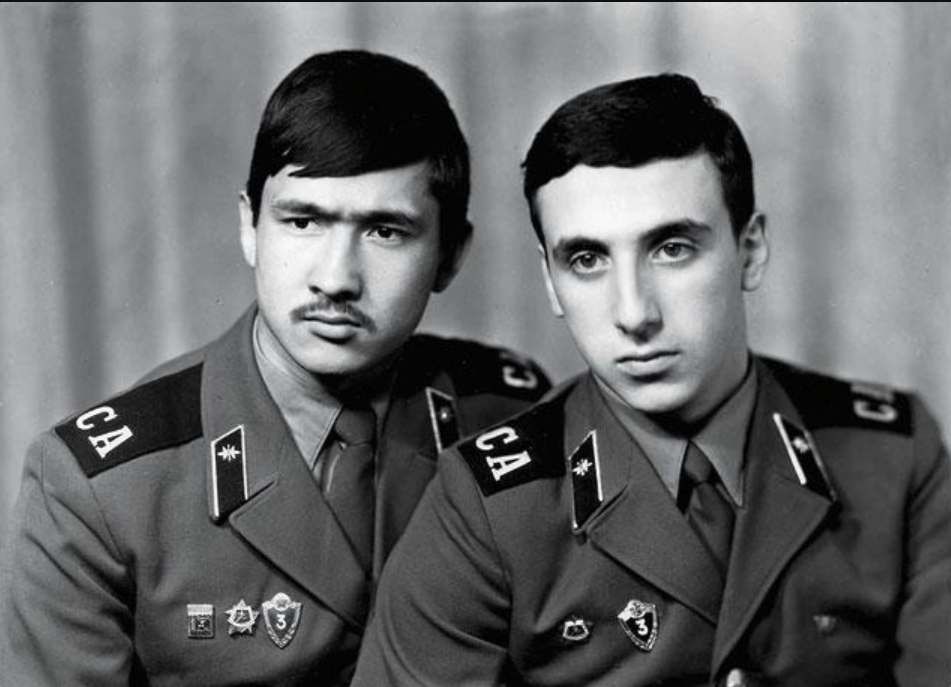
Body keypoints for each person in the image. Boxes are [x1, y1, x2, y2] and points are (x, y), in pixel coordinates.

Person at [352, 73, 951, 686]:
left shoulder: (892, 462)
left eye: (672, 248)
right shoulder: (486, 508)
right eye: (587, 260)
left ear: (749, 250)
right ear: (551, 282)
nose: (634, 313)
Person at [0, 50, 550, 686]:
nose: (335, 279)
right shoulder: (100, 490)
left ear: (450, 255)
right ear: (250, 227)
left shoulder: (509, 416)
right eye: (303, 220)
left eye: (385, 231)